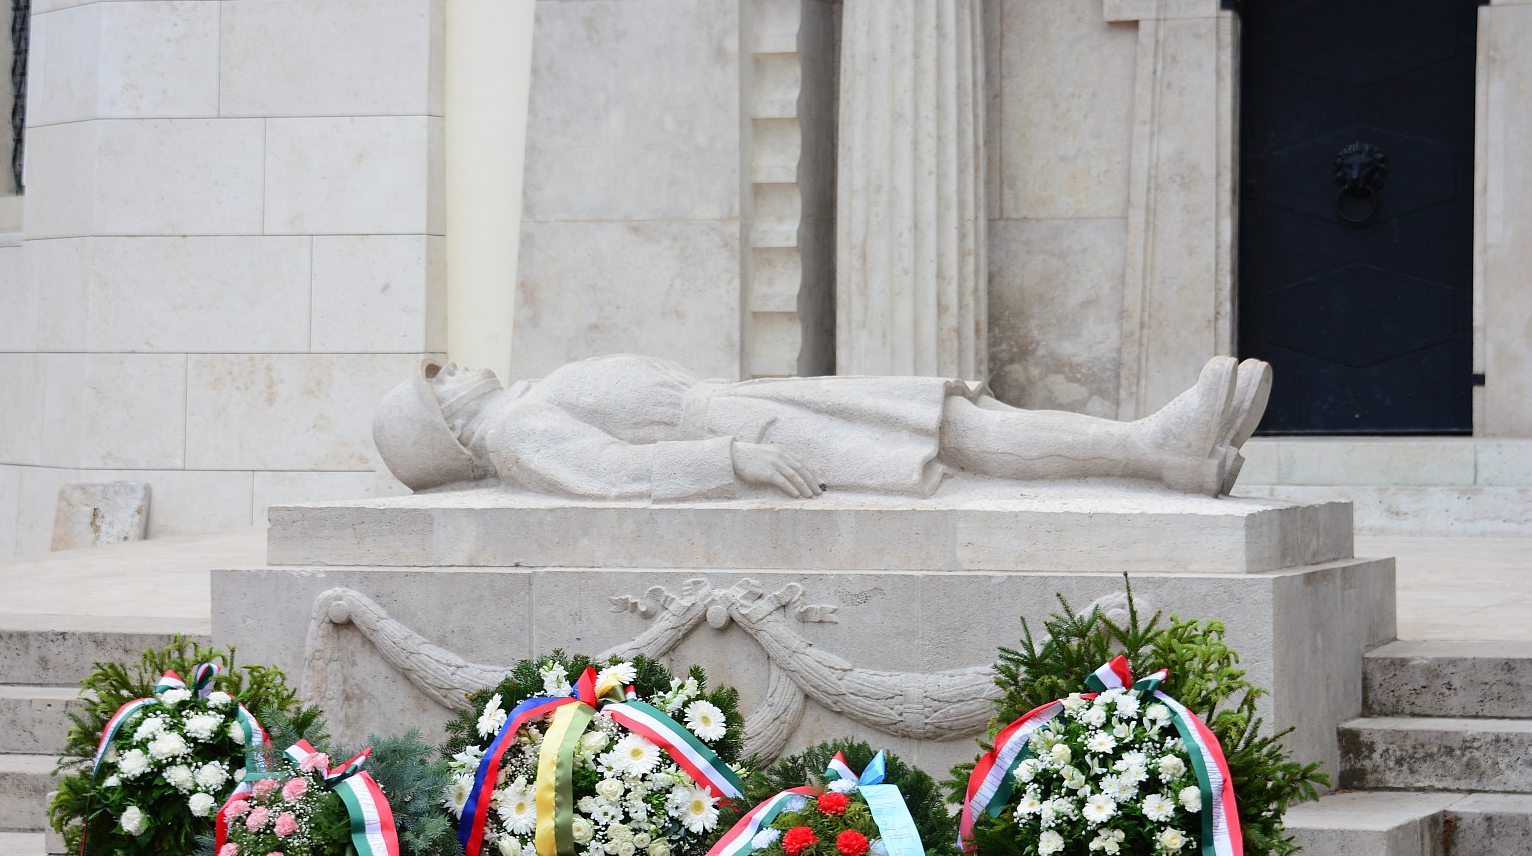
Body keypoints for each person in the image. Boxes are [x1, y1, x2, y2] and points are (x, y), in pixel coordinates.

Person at [371, 354, 1270, 500]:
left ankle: (1165, 456)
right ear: (447, 424)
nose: (454, 365)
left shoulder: (525, 406)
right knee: (956, 435)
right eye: (438, 379)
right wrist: (736, 459)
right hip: (756, 431)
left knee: (956, 421)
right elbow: (612, 474)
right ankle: (1154, 449)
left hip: (751, 406)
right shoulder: (517, 429)